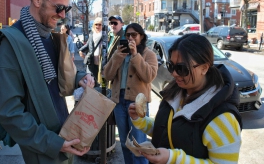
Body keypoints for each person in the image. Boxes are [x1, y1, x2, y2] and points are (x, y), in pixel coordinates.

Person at [0, 0, 95, 164]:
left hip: (63, 134)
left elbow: (54, 80)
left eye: (66, 8)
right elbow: (10, 114)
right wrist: (54, 143)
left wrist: (79, 77)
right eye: (59, 8)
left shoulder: (48, 37)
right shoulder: (11, 45)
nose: (63, 15)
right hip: (42, 146)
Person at [129, 34, 242, 164]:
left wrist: (174, 159)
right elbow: (165, 130)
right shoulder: (174, 93)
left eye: (182, 68)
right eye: (171, 66)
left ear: (204, 68)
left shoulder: (223, 118)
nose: (174, 73)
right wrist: (140, 120)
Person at [103, 23, 158, 164]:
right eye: (127, 35)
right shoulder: (119, 53)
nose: (130, 38)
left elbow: (149, 76)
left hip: (137, 103)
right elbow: (107, 75)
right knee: (124, 143)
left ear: (141, 37)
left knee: (139, 144)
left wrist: (135, 55)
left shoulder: (148, 54)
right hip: (119, 102)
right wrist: (117, 57)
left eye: (134, 35)